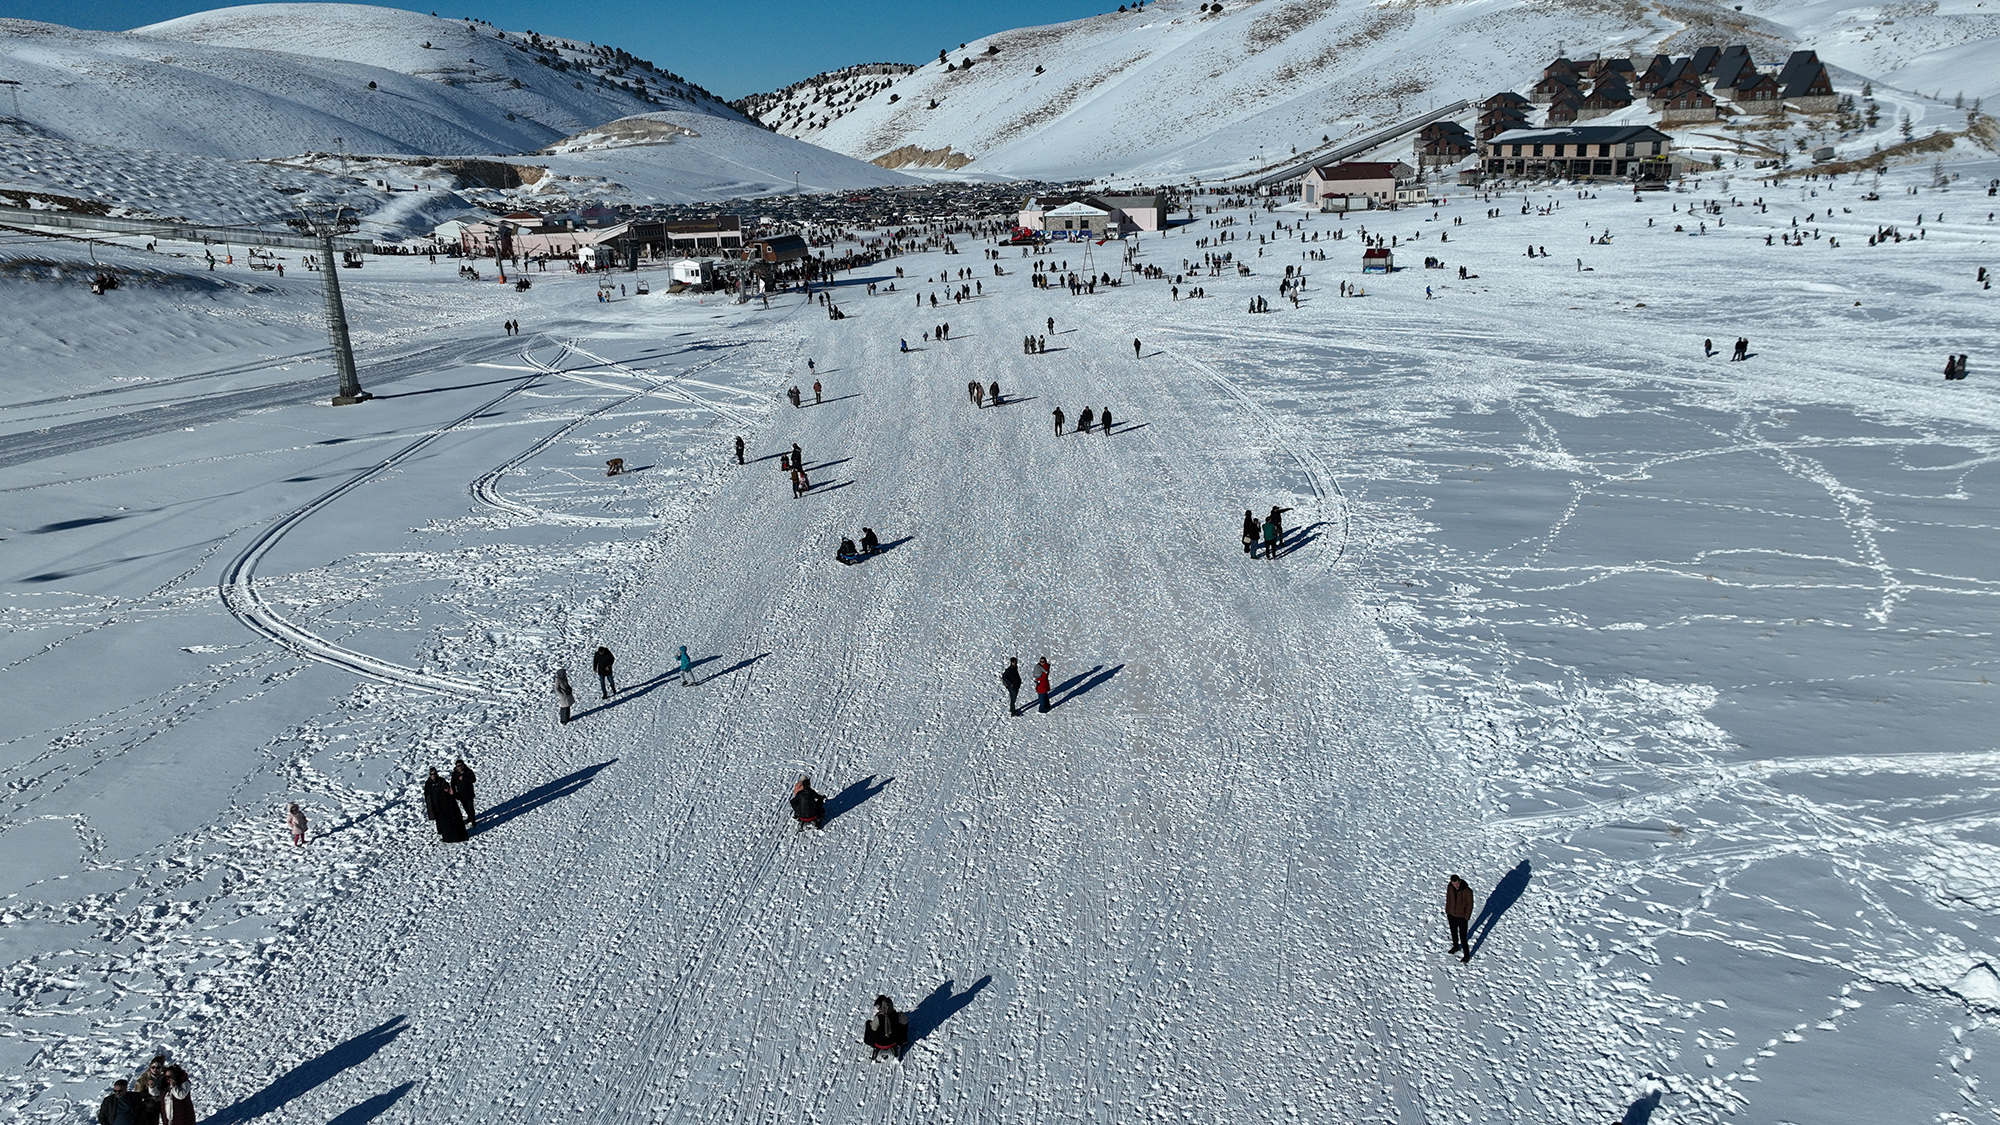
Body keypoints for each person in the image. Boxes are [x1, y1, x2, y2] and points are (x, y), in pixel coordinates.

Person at [425, 767, 468, 843]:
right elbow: (428, 795)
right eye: (432, 774)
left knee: (443, 818)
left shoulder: (441, 780)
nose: (433, 776)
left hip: (443, 803)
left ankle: (445, 831)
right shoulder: (428, 783)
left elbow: (446, 786)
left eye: (435, 774)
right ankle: (440, 831)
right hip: (434, 803)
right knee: (438, 818)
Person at [1446, 874, 1475, 962]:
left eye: (1457, 883)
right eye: (1454, 884)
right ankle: (1455, 947)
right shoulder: (1450, 887)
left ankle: (1466, 955)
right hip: (1451, 915)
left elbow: (1470, 905)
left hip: (1462, 917)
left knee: (1463, 937)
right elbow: (1448, 899)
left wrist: (1466, 917)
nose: (1456, 886)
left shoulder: (1467, 891)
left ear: (1460, 881)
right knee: (1453, 933)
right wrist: (1447, 911)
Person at [451, 758, 477, 828]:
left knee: (471, 808)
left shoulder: (468, 771)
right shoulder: (455, 774)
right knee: (465, 807)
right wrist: (454, 793)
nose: (459, 767)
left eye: (460, 765)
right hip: (461, 794)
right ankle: (469, 817)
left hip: (469, 793)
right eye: (458, 766)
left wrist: (464, 778)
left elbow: (473, 780)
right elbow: (453, 784)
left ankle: (473, 820)